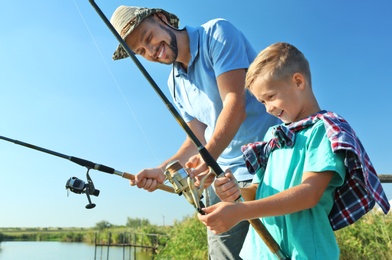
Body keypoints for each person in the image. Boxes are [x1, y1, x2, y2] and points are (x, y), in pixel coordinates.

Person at [109, 5, 280, 260]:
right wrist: (164, 169)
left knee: (280, 251)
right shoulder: (173, 84)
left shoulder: (217, 33)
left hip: (269, 165)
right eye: (141, 51)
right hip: (222, 180)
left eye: (148, 38)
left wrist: (208, 156)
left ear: (161, 18)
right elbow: (197, 137)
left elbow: (235, 103)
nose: (151, 51)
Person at [198, 42, 390, 259]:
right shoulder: (273, 136)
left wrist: (242, 211)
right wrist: (234, 193)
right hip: (260, 252)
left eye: (270, 96)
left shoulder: (324, 130)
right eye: (262, 102)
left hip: (306, 252)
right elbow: (256, 190)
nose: (268, 108)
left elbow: (309, 194)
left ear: (298, 81)